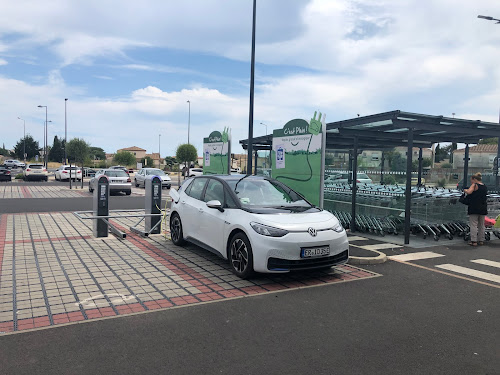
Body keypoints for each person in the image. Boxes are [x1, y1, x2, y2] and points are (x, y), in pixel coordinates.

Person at [464, 172, 487, 246]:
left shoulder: (474, 185)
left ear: (474, 179)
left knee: (473, 224)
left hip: (474, 207)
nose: (471, 182)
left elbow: (469, 192)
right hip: (483, 207)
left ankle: (474, 241)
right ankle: (481, 240)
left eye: (471, 180)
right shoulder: (484, 186)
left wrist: (465, 190)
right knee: (481, 225)